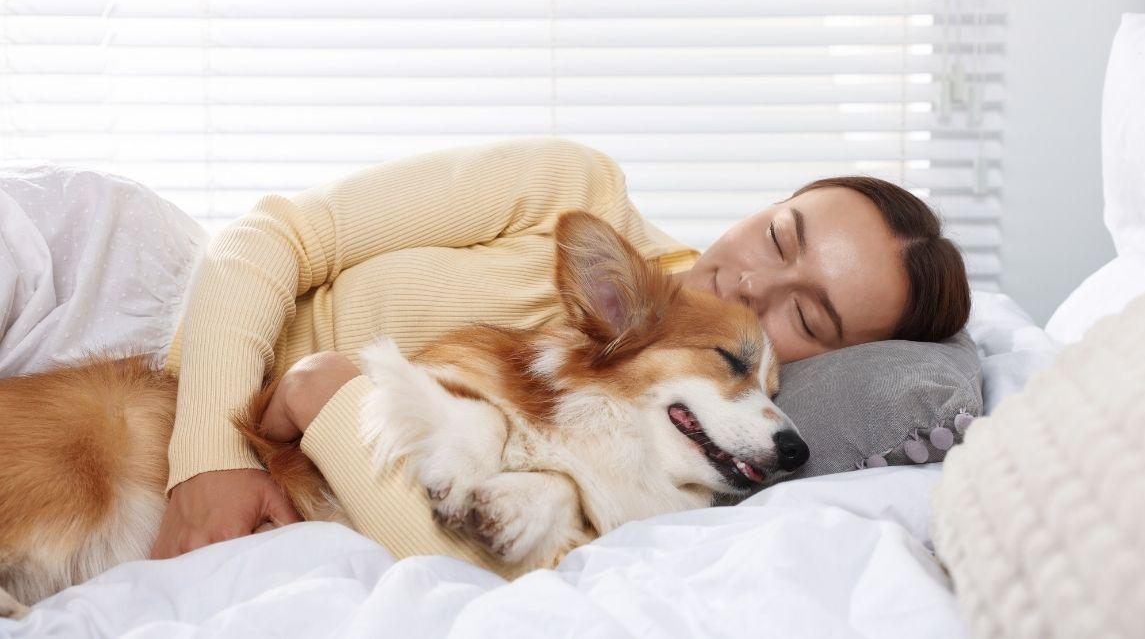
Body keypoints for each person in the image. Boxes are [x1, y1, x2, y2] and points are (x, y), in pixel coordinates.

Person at [8, 138, 971, 568]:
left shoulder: (665, 448)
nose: (753, 285)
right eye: (782, 235)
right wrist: (208, 455)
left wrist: (327, 399)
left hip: (205, 435)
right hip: (127, 287)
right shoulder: (575, 190)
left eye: (811, 316)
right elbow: (273, 239)